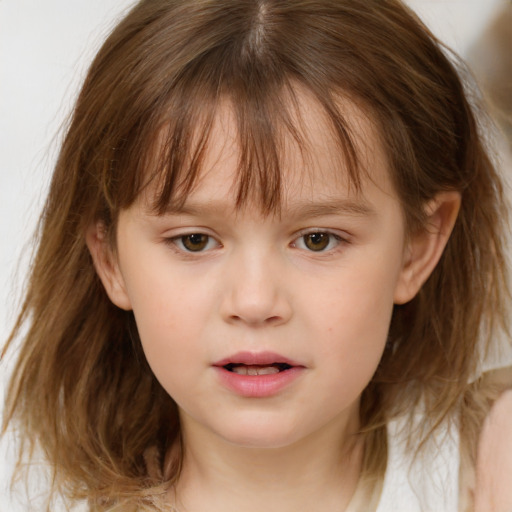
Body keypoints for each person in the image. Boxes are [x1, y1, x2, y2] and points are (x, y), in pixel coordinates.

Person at [2, 1, 511, 511]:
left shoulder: (487, 470)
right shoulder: (29, 495)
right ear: (110, 259)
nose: (253, 301)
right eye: (194, 241)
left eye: (317, 239)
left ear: (417, 247)